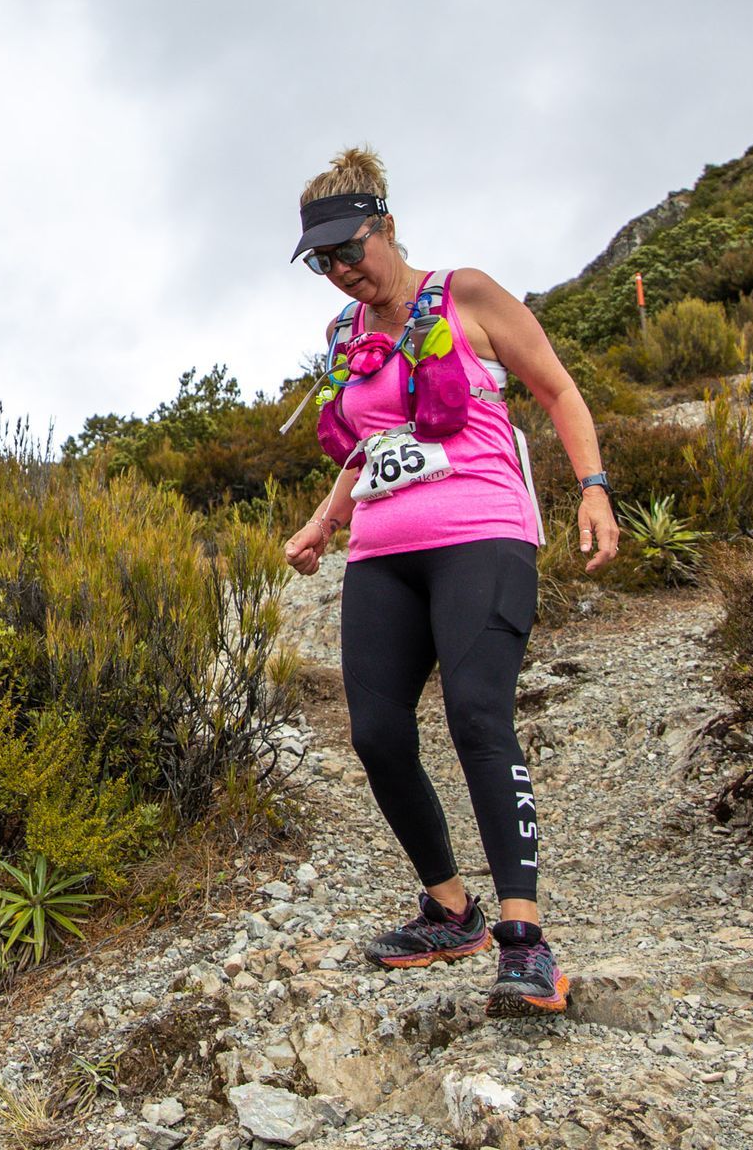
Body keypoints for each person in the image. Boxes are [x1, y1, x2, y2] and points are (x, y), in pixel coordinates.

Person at [281, 147, 619, 1018]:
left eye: (351, 250)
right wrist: (325, 520)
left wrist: (593, 488)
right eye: (323, 262)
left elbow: (557, 389)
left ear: (385, 226)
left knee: (476, 713)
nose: (342, 272)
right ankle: (450, 909)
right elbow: (367, 443)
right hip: (384, 554)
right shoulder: (345, 338)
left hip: (482, 533)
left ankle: (525, 942)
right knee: (377, 734)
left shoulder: (465, 295)